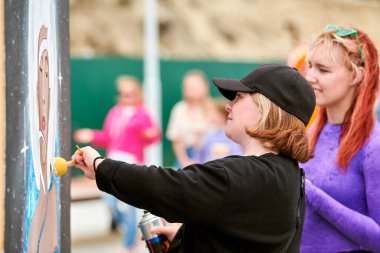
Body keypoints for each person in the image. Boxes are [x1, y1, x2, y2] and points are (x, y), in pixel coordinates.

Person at [72, 63, 316, 253]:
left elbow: (167, 186)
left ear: (266, 111)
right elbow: (238, 239)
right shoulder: (289, 174)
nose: (228, 106)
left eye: (239, 97)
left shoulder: (239, 176)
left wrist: (99, 166)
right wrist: (183, 240)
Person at [300, 25, 380, 252]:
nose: (310, 77)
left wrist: (313, 194)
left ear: (356, 75)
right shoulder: (310, 132)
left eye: (323, 70)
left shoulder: (374, 145)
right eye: (310, 66)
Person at [73, 75, 161, 253]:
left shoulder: (143, 113)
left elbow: (154, 135)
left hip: (131, 161)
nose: (126, 97)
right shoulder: (115, 112)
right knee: (110, 201)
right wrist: (91, 135)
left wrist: (148, 135)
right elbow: (108, 137)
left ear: (138, 94)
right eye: (123, 94)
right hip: (112, 159)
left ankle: (129, 243)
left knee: (129, 204)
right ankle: (127, 231)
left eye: (130, 94)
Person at [166, 70, 214, 167]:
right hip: (186, 157)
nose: (190, 89)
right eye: (187, 86)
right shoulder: (179, 109)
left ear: (205, 87)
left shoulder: (214, 109)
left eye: (195, 86)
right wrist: (184, 161)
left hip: (210, 157)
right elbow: (176, 139)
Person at [194, 98, 242, 163]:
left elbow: (237, 156)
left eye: (213, 112)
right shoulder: (210, 134)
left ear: (222, 115)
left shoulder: (233, 134)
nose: (210, 115)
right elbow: (200, 157)